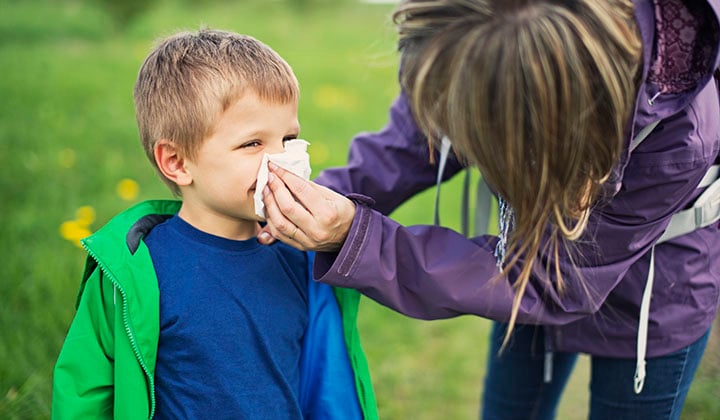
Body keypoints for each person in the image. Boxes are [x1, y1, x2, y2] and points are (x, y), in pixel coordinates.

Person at [259, 0, 720, 418]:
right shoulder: (476, 37)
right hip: (519, 255)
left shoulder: (678, 137)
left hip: (655, 290)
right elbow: (412, 139)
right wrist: (306, 201)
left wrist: (357, 239)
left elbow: (551, 283)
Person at [52, 28, 377, 419]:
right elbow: (86, 392)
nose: (282, 162)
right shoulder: (135, 271)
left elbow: (326, 385)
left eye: (289, 139)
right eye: (253, 144)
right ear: (177, 162)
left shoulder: (303, 258)